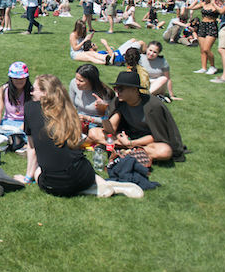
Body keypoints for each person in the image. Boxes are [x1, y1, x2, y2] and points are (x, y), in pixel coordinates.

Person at [13, 74, 143, 198]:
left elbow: (31, 149)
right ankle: (102, 183)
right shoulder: (67, 111)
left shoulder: (30, 107)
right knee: (80, 163)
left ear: (44, 93)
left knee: (38, 171)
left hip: (54, 184)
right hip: (83, 174)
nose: (30, 93)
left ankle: (89, 190)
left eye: (33, 89)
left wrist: (27, 178)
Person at [88, 71, 189, 162]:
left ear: (134, 89)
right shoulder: (119, 102)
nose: (117, 92)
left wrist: (131, 143)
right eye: (116, 88)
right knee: (93, 132)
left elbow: (157, 135)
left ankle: (126, 152)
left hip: (147, 143)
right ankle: (131, 153)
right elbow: (111, 130)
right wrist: (104, 115)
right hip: (126, 138)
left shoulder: (152, 105)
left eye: (120, 89)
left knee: (165, 151)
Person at [69, 64, 114, 133]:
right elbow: (71, 106)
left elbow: (107, 120)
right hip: (79, 118)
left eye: (81, 81)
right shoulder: (73, 83)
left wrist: (88, 118)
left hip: (95, 123)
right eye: (76, 79)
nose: (77, 83)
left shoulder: (103, 94)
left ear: (91, 81)